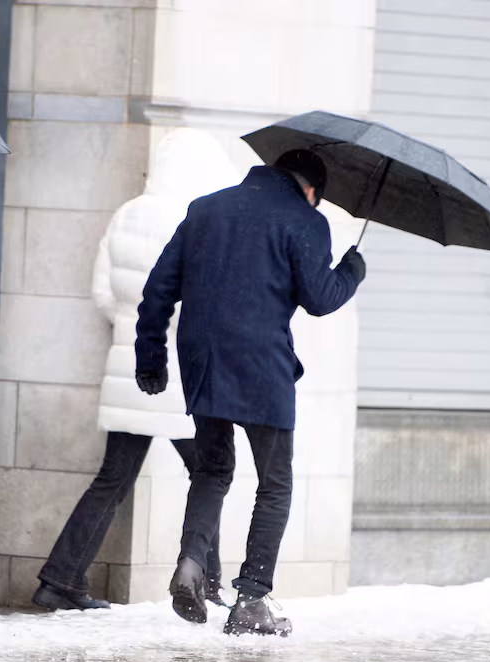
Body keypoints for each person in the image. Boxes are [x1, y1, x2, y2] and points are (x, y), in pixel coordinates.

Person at [135, 149, 366, 637]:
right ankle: (251, 599)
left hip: (202, 359)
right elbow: (320, 298)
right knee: (274, 483)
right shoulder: (305, 219)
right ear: (311, 189)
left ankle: (191, 563)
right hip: (263, 365)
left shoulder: (206, 208)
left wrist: (150, 355)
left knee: (212, 470)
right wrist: (352, 271)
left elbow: (158, 288)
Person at [33, 130, 237, 612]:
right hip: (179, 372)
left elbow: (104, 295)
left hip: (129, 365)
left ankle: (60, 580)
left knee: (113, 479)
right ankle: (207, 583)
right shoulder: (194, 218)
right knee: (210, 473)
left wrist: (131, 327)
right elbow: (199, 302)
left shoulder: (126, 213)